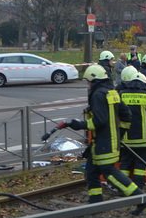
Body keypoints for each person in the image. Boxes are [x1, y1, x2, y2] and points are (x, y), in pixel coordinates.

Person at [57, 64, 141, 203]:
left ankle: (139, 198)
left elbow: (99, 121)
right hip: (105, 142)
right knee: (91, 172)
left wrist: (78, 125)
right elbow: (126, 114)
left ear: (94, 80)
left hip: (104, 143)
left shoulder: (97, 95)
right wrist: (120, 133)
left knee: (109, 173)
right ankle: (95, 201)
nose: (88, 85)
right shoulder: (111, 92)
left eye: (88, 81)